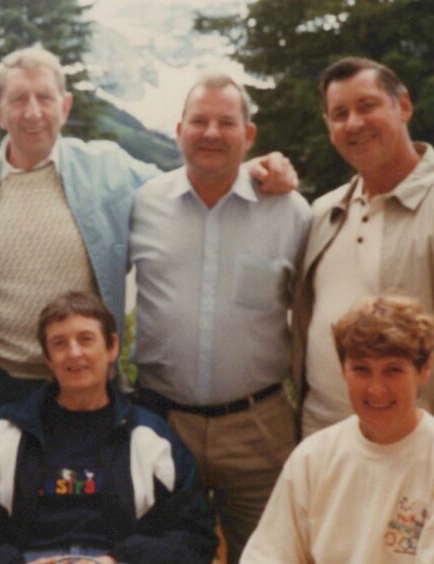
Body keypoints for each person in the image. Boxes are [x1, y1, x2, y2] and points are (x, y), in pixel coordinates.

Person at [0, 46, 300, 429]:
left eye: (44, 97)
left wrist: (250, 172)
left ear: (66, 105)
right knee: (3, 486)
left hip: (86, 383)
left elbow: (188, 185)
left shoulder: (109, 169)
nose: (33, 111)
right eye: (18, 99)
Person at [129, 73, 312, 562]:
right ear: (178, 130)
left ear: (248, 135)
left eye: (226, 122)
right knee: (159, 554)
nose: (211, 132)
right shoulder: (144, 204)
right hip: (162, 420)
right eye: (199, 121)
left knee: (269, 553)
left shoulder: (291, 212)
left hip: (258, 426)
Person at [0, 292, 218, 564]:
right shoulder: (6, 431)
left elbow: (196, 537)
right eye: (60, 343)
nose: (74, 352)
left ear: (112, 347)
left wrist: (119, 560)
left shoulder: (151, 436)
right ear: (48, 358)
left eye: (86, 339)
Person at [293, 57, 434, 437]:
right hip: (322, 438)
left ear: (403, 106)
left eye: (367, 106)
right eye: (340, 113)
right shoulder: (323, 212)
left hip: (413, 447)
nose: (354, 123)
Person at [243, 295, 434, 563]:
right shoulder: (313, 457)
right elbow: (268, 555)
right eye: (361, 369)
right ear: (343, 371)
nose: (376, 389)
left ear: (424, 369)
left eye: (393, 370)